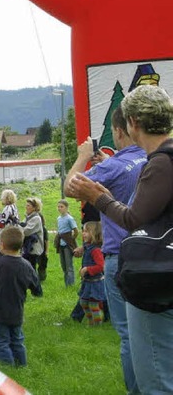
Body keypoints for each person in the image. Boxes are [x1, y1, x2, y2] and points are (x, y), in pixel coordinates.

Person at [68, 85, 173, 394]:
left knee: (155, 374)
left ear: (133, 124)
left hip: (157, 276)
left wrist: (99, 198)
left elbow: (133, 219)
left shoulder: (162, 163)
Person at [65, 106, 146, 394]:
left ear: (120, 130)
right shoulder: (153, 157)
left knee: (128, 335)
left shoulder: (110, 167)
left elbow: (70, 186)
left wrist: (84, 157)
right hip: (153, 252)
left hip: (119, 255)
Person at [0, 226, 42, 367]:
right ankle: (21, 367)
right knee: (17, 341)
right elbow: (37, 289)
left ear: (1, 245)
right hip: (17, 311)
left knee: (0, 343)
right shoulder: (27, 265)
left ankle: (8, 371)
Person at [77, 221, 105, 326]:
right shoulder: (87, 247)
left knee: (94, 304)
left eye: (87, 232)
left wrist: (87, 269)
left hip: (95, 283)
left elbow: (101, 266)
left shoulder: (96, 250)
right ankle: (91, 321)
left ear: (94, 234)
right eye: (83, 231)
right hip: (87, 282)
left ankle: (97, 324)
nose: (83, 234)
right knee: (83, 302)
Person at [55, 199, 79, 287]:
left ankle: (71, 284)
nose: (59, 208)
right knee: (63, 264)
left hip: (67, 244)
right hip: (61, 243)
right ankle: (66, 283)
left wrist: (71, 239)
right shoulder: (59, 218)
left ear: (66, 207)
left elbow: (76, 230)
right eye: (58, 207)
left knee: (69, 265)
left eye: (61, 207)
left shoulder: (69, 218)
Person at [20, 197, 44, 272]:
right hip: (28, 248)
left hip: (34, 248)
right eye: (26, 205)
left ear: (34, 208)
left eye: (28, 206)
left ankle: (34, 283)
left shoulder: (36, 218)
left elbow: (26, 231)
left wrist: (17, 228)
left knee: (31, 269)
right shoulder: (28, 217)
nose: (26, 207)